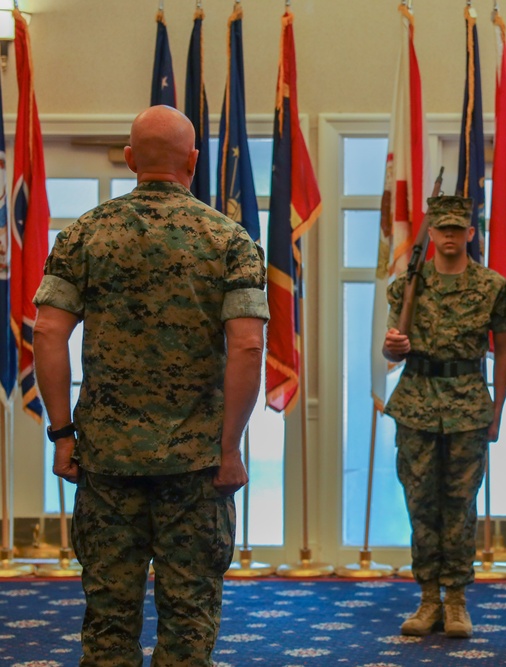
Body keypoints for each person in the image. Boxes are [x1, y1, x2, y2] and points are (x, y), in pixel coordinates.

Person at [33, 105, 268, 666]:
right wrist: (230, 448)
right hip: (197, 466)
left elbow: (47, 331)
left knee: (109, 616)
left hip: (107, 462)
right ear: (193, 160)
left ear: (132, 159)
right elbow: (248, 346)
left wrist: (64, 434)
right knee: (188, 616)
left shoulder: (84, 234)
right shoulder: (230, 240)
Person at [383, 195, 506, 639]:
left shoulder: (492, 286)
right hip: (417, 401)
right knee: (420, 504)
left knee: (460, 507)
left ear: (471, 233)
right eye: (444, 229)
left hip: (466, 405)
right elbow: (390, 347)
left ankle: (456, 600)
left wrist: (496, 411)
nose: (452, 236)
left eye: (460, 229)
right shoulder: (407, 285)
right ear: (433, 233)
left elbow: (503, 351)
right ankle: (427, 598)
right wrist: (391, 348)